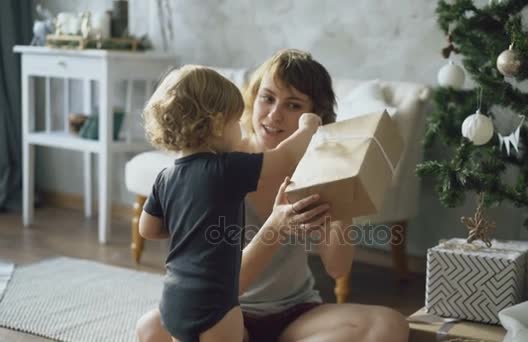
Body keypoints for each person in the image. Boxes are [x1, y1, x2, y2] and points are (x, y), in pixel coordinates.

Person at [137, 50, 410, 342]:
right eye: (267, 98)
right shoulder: (219, 170)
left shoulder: (317, 168)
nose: (274, 114)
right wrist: (276, 229)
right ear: (251, 99)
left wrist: (347, 189)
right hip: (225, 315)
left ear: (315, 117)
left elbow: (337, 267)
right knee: (151, 328)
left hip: (296, 313)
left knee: (388, 324)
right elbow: (228, 285)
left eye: (292, 105)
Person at [138, 64, 328, 342]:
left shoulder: (165, 177)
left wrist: (189, 223)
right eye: (236, 121)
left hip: (173, 299)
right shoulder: (227, 168)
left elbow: (148, 229)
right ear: (217, 124)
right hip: (217, 304)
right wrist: (309, 128)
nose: (241, 128)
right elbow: (285, 158)